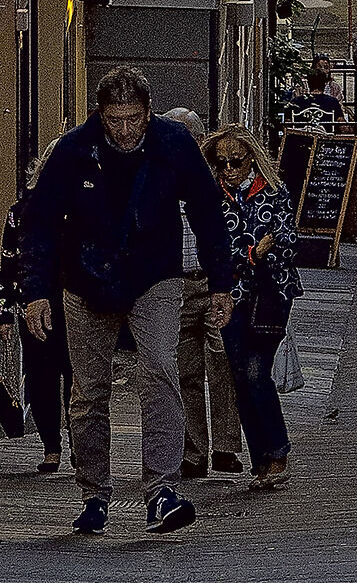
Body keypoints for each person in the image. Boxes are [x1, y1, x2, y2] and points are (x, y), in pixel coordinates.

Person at [20, 64, 234, 539]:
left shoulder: (174, 144)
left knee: (159, 370)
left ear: (148, 112)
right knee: (89, 390)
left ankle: (161, 490)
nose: (124, 130)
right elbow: (40, 223)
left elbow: (207, 214)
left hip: (154, 275)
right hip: (85, 280)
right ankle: (94, 492)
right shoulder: (74, 150)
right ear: (100, 115)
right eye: (114, 120)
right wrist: (35, 292)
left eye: (133, 118)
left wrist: (221, 282)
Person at [203, 128, 302, 492]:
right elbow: (212, 248)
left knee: (256, 371)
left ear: (251, 159)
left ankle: (278, 452)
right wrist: (252, 254)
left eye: (235, 162)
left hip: (271, 295)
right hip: (228, 296)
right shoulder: (212, 197)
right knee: (239, 376)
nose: (228, 169)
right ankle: (262, 459)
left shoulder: (275, 193)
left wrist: (256, 256)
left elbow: (289, 244)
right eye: (221, 162)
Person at [164, 109, 244, 480]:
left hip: (211, 283)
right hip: (175, 284)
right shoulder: (159, 179)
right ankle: (193, 451)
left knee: (222, 363)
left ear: (197, 141)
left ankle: (225, 447)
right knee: (186, 372)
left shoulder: (215, 180)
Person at [0, 150, 72, 473]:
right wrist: (1, 311)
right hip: (33, 304)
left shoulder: (82, 209)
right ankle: (51, 446)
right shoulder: (20, 213)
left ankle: (81, 444)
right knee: (40, 377)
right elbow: (8, 263)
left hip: (76, 305)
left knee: (78, 377)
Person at [289, 59, 349, 132]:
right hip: (325, 140)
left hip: (299, 139)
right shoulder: (333, 102)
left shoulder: (295, 102)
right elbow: (342, 126)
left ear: (308, 84)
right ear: (324, 85)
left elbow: (287, 124)